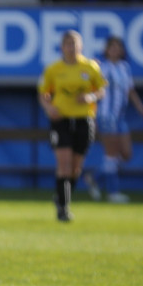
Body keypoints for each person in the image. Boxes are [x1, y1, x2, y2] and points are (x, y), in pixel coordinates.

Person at [37, 30, 106, 222]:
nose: (71, 48)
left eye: (74, 44)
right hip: (61, 120)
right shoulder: (54, 69)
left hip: (84, 120)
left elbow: (101, 90)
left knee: (76, 168)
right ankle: (63, 209)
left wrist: (90, 96)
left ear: (81, 47)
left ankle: (61, 197)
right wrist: (49, 107)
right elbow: (44, 93)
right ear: (62, 47)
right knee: (64, 165)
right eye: (68, 44)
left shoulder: (90, 67)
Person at [86, 37, 143, 203]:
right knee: (111, 154)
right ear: (106, 50)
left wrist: (139, 106)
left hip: (120, 116)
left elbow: (130, 90)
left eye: (118, 47)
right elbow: (92, 86)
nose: (115, 50)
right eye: (111, 47)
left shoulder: (124, 67)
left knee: (126, 154)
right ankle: (113, 192)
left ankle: (95, 178)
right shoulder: (102, 67)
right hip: (106, 115)